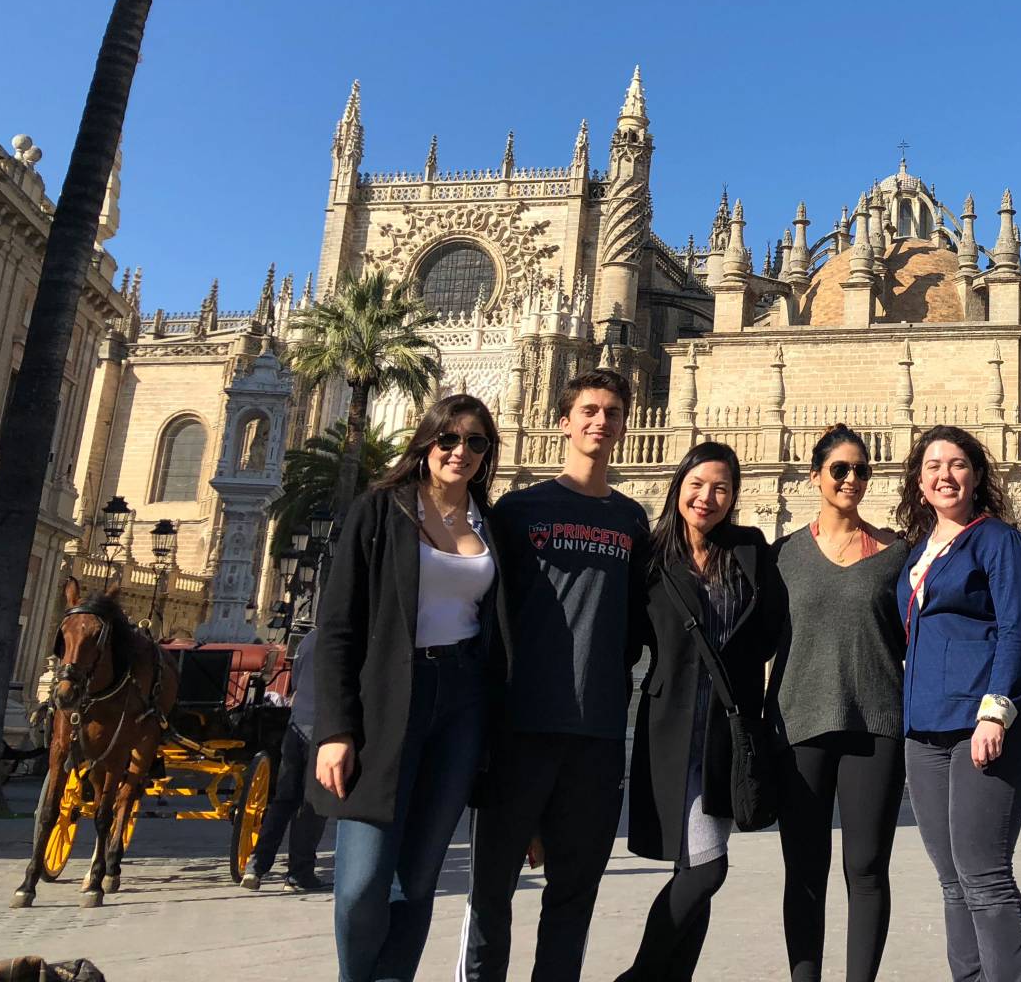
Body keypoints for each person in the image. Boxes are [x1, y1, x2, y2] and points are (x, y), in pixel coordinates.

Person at [460, 368, 651, 981]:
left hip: (596, 734)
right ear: (563, 420)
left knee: (574, 895)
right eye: (589, 410)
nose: (601, 421)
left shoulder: (631, 521)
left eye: (613, 411)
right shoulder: (517, 511)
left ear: (626, 425)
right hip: (520, 728)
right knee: (492, 890)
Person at [311, 395, 504, 982]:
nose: (460, 452)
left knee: (419, 877)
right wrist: (335, 730)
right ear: (424, 444)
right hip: (389, 698)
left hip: (463, 702)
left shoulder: (488, 522)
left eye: (475, 442)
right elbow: (338, 626)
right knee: (362, 883)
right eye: (448, 439)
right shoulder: (379, 510)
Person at [618, 441, 786, 982]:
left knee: (697, 865)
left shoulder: (750, 550)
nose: (706, 497)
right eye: (696, 484)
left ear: (735, 495)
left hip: (727, 729)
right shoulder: (650, 557)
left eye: (720, 487)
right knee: (706, 868)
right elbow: (627, 639)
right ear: (678, 486)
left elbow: (769, 631)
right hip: (670, 728)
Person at [894, 424, 1021, 982]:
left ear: (977, 475)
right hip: (924, 726)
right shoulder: (918, 551)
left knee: (984, 875)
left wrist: (995, 710)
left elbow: (1015, 629)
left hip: (981, 721)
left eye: (957, 464)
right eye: (933, 466)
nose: (944, 475)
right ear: (918, 480)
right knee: (952, 880)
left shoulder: (996, 539)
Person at [772, 424, 909, 982]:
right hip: (799, 722)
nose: (851, 479)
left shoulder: (896, 554)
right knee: (804, 869)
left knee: (867, 867)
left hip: (876, 724)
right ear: (816, 476)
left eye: (861, 470)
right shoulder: (782, 555)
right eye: (839, 469)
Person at [242, 626, 328, 892]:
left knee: (283, 800)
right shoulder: (351, 639)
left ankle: (256, 866)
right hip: (324, 729)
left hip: (296, 725)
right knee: (313, 804)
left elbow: (297, 681)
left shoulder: (309, 640)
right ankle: (299, 873)